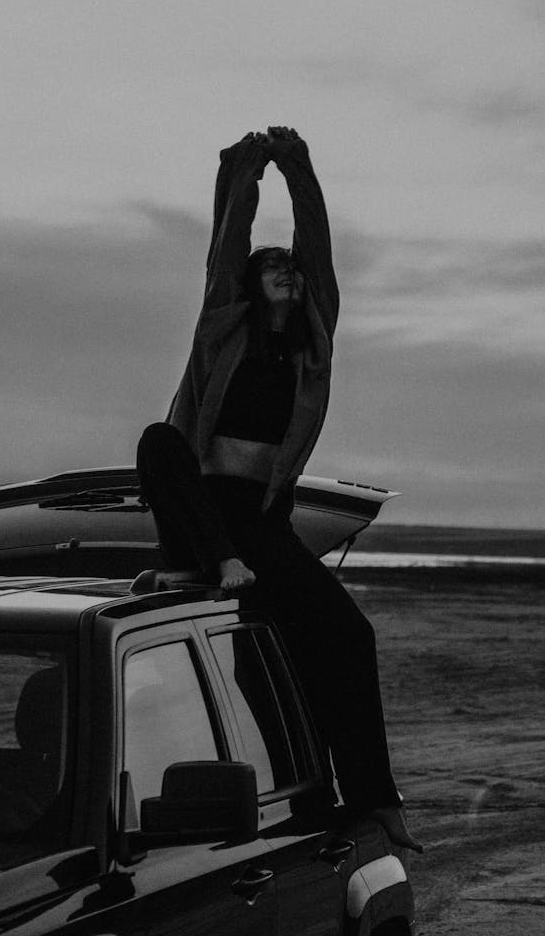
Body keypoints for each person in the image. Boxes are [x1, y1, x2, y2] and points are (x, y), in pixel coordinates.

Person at [137, 126, 421, 852]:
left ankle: (368, 802)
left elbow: (317, 251)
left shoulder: (311, 343)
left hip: (263, 520)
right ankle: (209, 560)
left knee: (337, 637)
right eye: (275, 271)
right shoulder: (224, 328)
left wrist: (300, 167)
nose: (288, 277)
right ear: (251, 285)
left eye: (291, 275)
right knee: (158, 443)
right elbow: (225, 250)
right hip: (207, 512)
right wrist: (247, 174)